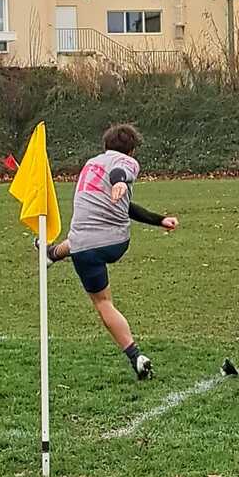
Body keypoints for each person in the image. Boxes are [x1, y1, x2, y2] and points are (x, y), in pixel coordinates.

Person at [41, 123, 178, 379]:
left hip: (83, 246)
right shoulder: (127, 162)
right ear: (132, 150)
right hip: (114, 243)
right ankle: (51, 254)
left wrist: (157, 218)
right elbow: (119, 172)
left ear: (105, 146)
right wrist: (120, 183)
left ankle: (135, 355)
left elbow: (120, 188)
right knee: (90, 255)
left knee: (103, 303)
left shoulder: (91, 164)